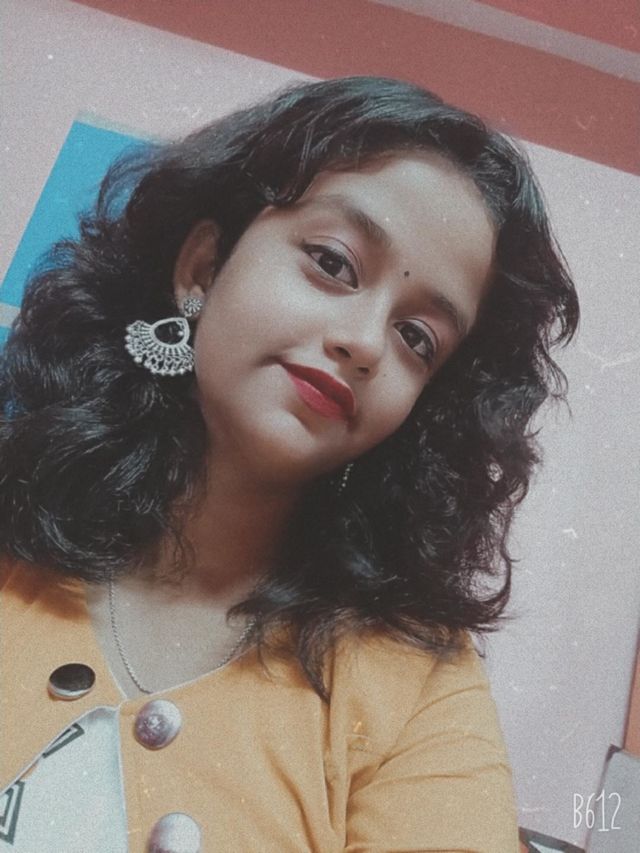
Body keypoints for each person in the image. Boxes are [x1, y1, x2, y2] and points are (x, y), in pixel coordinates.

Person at [0, 76, 579, 852]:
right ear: (204, 267)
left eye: (417, 339)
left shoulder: (418, 683)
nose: (365, 341)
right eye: (333, 263)